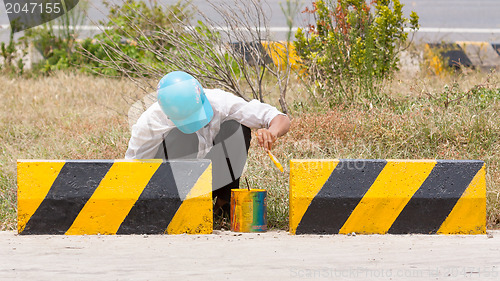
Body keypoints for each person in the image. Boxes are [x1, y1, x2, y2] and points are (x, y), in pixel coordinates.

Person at [125, 71, 290, 215]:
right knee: (182, 136)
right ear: (167, 115)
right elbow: (131, 169)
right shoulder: (149, 123)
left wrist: (272, 132)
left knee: (238, 128)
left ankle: (223, 204)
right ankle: (177, 206)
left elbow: (279, 118)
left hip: (209, 180)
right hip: (170, 185)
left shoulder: (220, 101)